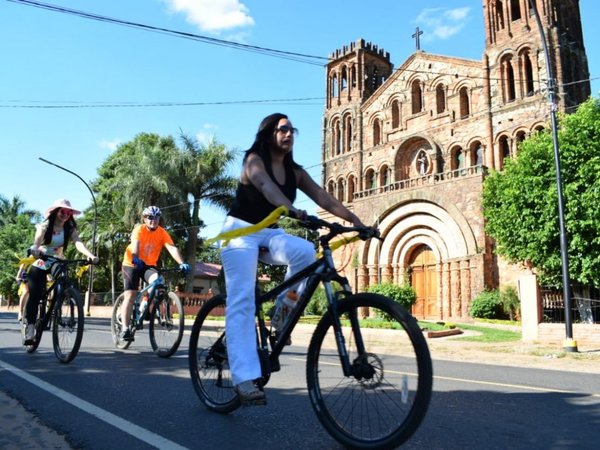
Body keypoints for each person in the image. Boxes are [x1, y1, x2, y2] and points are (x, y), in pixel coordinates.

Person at [219, 113, 373, 405]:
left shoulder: (295, 172)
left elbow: (322, 197)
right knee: (242, 301)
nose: (289, 134)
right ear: (268, 134)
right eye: (283, 129)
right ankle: (243, 379)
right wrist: (291, 209)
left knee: (304, 252)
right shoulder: (254, 160)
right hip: (239, 232)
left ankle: (283, 311)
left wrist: (355, 221)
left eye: (292, 130)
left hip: (268, 233)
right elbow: (266, 186)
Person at [24, 199, 99, 344]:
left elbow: (78, 242)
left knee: (64, 279)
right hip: (41, 259)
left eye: (68, 212)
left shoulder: (69, 228)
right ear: (56, 212)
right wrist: (35, 248)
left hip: (56, 260)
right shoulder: (45, 225)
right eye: (62, 211)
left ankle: (58, 305)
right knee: (35, 294)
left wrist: (90, 255)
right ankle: (30, 327)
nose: (65, 214)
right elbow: (37, 240)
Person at [120, 205, 190, 342]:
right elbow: (135, 244)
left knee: (157, 281)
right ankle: (125, 329)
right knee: (130, 294)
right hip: (131, 264)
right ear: (144, 219)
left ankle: (144, 307)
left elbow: (171, 248)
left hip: (149, 265)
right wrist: (135, 256)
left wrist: (181, 262)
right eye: (150, 217)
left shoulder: (162, 232)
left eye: (157, 217)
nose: (154, 220)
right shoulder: (138, 229)